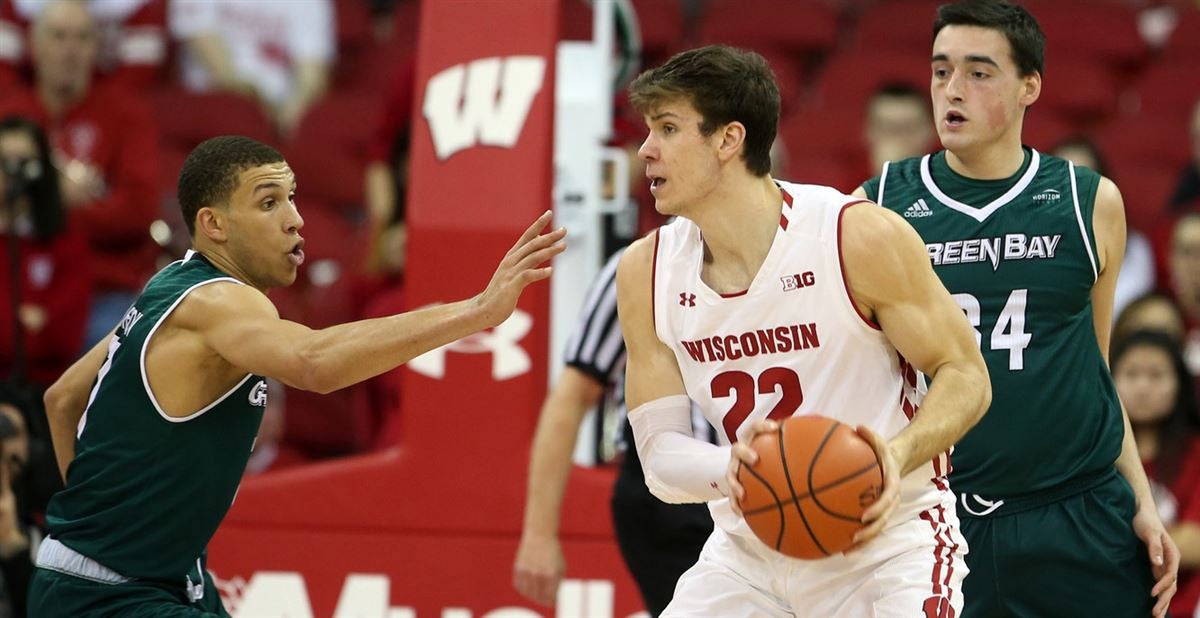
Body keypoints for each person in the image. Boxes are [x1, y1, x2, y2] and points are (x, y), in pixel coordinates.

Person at [28, 135, 565, 616]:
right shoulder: (218, 302)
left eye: (291, 197)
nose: (295, 218)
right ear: (214, 224)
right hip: (108, 593)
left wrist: (101, 523)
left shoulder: (172, 283)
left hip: (135, 578)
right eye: (268, 202)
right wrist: (476, 311)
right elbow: (315, 363)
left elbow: (63, 398)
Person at [616, 45, 991, 616]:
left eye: (667, 128)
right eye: (649, 129)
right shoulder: (644, 271)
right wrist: (739, 469)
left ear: (728, 140)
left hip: (884, 546)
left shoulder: (853, 236)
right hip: (749, 556)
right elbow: (661, 459)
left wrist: (893, 455)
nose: (646, 150)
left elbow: (967, 375)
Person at [855, 2, 1179, 615]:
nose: (953, 90)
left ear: (1030, 85)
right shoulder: (876, 208)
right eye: (941, 70)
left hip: (1076, 515)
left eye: (979, 73)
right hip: (939, 519)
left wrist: (1140, 500)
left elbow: (1097, 372)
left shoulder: (1089, 203)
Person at [514, 248, 713, 616]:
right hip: (671, 495)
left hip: (767, 474)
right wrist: (538, 533)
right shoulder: (641, 264)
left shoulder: (794, 250)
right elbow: (572, 395)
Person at [0, 0, 159, 350]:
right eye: (58, 36)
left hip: (101, 289)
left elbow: (137, 210)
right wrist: (61, 197)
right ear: (33, 46)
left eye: (82, 38)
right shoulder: (9, 112)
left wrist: (35, 205)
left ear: (98, 48)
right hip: (12, 283)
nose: (69, 50)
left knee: (123, 347)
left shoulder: (127, 115)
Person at [1111, 330, 1200, 616]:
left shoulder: (1195, 455)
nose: (1142, 387)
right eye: (1131, 373)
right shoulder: (1093, 455)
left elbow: (1195, 542)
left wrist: (1116, 545)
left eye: (1156, 375)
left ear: (1180, 384)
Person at [0, 115, 90, 387]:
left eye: (24, 163)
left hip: (45, 387)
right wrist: (27, 320)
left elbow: (65, 337)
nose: (12, 174)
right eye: (3, 162)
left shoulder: (65, 239)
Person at [168, 0, 334, 137]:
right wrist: (248, 96)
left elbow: (311, 76)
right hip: (213, 97)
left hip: (278, 109)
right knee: (239, 120)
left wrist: (292, 115)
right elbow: (203, 42)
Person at [864, 82, 936, 178]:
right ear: (867, 132)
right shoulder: (842, 183)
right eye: (886, 129)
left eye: (909, 129)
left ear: (931, 131)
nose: (898, 141)